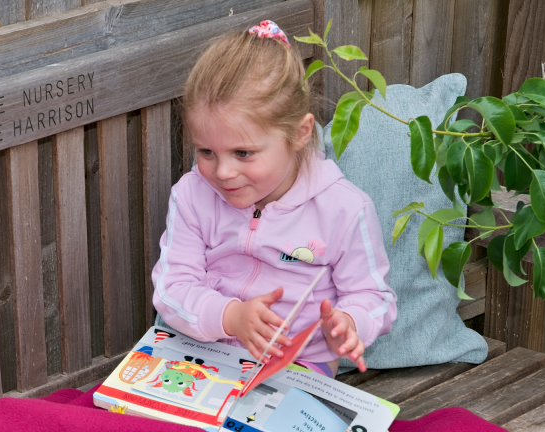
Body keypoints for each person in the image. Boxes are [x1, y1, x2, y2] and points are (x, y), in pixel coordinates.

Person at [152, 20, 396, 378]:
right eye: (206, 151)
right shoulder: (191, 196)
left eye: (243, 153)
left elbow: (375, 297)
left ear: (299, 133)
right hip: (202, 357)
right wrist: (230, 317)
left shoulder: (343, 209)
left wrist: (349, 322)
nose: (222, 172)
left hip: (297, 369)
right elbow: (172, 288)